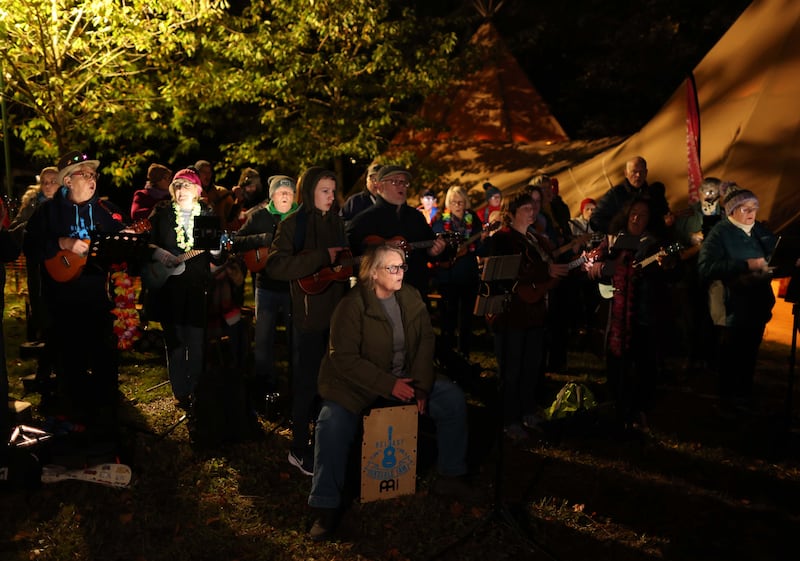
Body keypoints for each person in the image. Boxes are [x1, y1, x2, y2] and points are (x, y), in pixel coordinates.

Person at [307, 244, 472, 541]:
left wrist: (421, 385)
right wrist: (387, 384)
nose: (400, 273)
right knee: (331, 424)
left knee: (451, 399)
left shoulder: (409, 297)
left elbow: (424, 342)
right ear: (373, 273)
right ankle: (325, 505)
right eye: (392, 267)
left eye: (402, 266)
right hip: (355, 383)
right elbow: (343, 358)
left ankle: (450, 474)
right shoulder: (352, 305)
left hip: (403, 377)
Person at [23, 151, 127, 435]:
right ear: (68, 179)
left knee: (105, 361)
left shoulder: (103, 213)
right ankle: (75, 421)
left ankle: (106, 423)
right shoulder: (48, 212)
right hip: (61, 303)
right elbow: (30, 245)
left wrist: (129, 241)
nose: (93, 180)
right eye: (86, 174)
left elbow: (122, 243)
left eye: (94, 175)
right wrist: (62, 242)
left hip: (96, 301)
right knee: (71, 365)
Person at [264, 167, 348, 476]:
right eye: (324, 190)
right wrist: (321, 257)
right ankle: (299, 448)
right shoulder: (293, 224)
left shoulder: (337, 223)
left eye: (333, 190)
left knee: (333, 383)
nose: (330, 196)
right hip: (309, 317)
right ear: (310, 191)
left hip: (338, 316)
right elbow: (276, 265)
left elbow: (342, 264)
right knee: (307, 384)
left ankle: (328, 440)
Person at [483, 191, 569, 441]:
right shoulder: (503, 239)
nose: (532, 212)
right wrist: (545, 269)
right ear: (512, 213)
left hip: (533, 313)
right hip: (511, 313)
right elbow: (509, 271)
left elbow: (545, 270)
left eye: (533, 208)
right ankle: (509, 419)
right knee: (511, 369)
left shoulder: (535, 238)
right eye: (525, 209)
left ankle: (527, 411)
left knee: (531, 366)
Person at [585, 198, 675, 432]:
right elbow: (594, 266)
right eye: (633, 213)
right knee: (617, 365)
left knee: (644, 365)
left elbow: (670, 277)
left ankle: (639, 411)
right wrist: (603, 269)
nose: (637, 218)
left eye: (643, 215)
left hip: (644, 314)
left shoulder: (654, 244)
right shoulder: (612, 240)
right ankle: (617, 407)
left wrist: (666, 265)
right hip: (614, 316)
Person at [146, 168, 224, 411]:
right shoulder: (162, 213)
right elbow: (145, 243)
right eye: (177, 186)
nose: (181, 191)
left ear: (198, 190)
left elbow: (218, 260)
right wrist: (159, 252)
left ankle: (197, 390)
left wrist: (217, 250)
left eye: (186, 186)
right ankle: (180, 391)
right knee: (176, 342)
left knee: (196, 341)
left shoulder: (208, 216)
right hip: (169, 288)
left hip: (197, 287)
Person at [697, 187, 777, 409]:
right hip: (732, 305)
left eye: (755, 208)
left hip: (758, 303)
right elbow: (705, 267)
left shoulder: (760, 230)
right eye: (746, 208)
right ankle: (726, 401)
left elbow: (773, 253)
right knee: (731, 354)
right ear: (732, 211)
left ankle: (743, 395)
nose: (752, 212)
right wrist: (744, 265)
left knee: (750, 352)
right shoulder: (720, 233)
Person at [235, 175, 298, 405]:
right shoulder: (258, 216)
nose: (284, 196)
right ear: (271, 194)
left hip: (294, 287)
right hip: (266, 287)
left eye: (289, 192)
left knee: (296, 339)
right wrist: (262, 239)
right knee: (262, 340)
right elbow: (236, 242)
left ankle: (295, 388)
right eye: (280, 192)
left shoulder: (301, 217)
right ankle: (265, 388)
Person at [347, 165, 447, 300]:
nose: (401, 186)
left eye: (404, 182)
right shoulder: (364, 220)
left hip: (415, 295)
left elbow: (429, 250)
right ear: (380, 187)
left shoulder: (416, 217)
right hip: (379, 298)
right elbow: (349, 256)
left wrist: (434, 252)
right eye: (395, 181)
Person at [9, 166, 60, 388]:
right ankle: (46, 371)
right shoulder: (32, 205)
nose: (48, 186)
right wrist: (30, 227)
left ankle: (59, 368)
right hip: (39, 271)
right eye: (45, 182)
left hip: (64, 271)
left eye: (53, 181)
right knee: (46, 318)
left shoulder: (68, 206)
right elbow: (15, 229)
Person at [430, 185, 484, 358]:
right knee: (448, 318)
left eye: (461, 201)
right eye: (454, 202)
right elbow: (435, 245)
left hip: (468, 275)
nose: (458, 205)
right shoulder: (441, 221)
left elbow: (480, 247)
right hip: (449, 277)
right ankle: (447, 355)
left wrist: (474, 246)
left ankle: (464, 354)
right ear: (448, 203)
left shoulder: (473, 219)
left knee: (466, 319)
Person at [590, 156, 669, 234]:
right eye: (634, 172)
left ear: (646, 173)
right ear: (626, 173)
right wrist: (620, 229)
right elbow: (595, 219)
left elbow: (664, 214)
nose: (638, 175)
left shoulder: (653, 193)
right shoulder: (616, 193)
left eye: (641, 172)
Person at [194, 159, 236, 229]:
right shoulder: (189, 194)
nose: (207, 176)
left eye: (209, 172)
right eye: (204, 172)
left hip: (219, 235)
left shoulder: (222, 192)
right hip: (196, 235)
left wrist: (239, 200)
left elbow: (232, 216)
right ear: (197, 174)